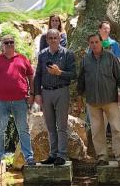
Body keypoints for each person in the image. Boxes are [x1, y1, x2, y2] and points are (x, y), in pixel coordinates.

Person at [76, 34, 120, 167]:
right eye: (91, 42)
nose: (94, 44)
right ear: (89, 44)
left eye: (96, 42)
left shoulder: (111, 57)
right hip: (92, 101)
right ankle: (102, 157)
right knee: (97, 130)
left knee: (116, 129)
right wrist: (79, 97)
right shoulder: (86, 60)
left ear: (101, 42)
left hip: (110, 99)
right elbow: (81, 80)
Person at [0, 34, 36, 166]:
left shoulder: (23, 59)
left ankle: (29, 157)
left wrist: (32, 93)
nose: (9, 44)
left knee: (23, 129)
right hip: (1, 101)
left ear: (14, 44)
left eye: (11, 42)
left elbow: (31, 76)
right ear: (2, 45)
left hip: (20, 100)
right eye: (6, 42)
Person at [34, 29, 76, 166]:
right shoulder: (42, 55)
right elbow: (38, 75)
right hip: (46, 92)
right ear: (47, 40)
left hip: (61, 91)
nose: (53, 40)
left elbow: (73, 75)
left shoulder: (68, 54)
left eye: (55, 38)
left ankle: (62, 155)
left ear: (59, 39)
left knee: (61, 126)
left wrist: (59, 72)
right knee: (50, 126)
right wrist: (37, 94)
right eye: (50, 38)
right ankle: (53, 154)